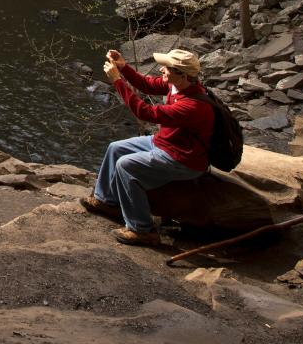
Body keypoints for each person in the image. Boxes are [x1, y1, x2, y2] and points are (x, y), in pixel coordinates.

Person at [80, 47, 214, 247]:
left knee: (126, 166)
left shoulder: (192, 106)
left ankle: (142, 229)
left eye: (167, 68)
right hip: (166, 143)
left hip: (183, 160)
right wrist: (123, 67)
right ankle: (107, 201)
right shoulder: (177, 85)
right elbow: (146, 84)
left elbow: (145, 112)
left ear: (182, 74)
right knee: (115, 148)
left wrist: (117, 81)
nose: (162, 70)